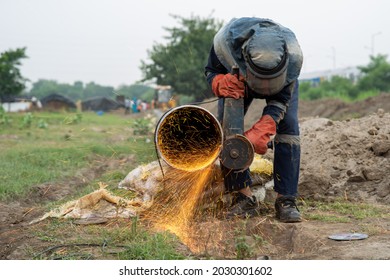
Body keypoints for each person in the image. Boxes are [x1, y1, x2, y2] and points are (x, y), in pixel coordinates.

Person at [205, 17, 303, 222]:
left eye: (270, 83)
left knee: (289, 129)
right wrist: (219, 82)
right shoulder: (224, 45)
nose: (265, 89)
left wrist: (268, 123)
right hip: (237, 82)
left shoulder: (294, 58)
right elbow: (211, 70)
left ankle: (286, 200)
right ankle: (242, 197)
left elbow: (283, 98)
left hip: (281, 86)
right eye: (262, 82)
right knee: (228, 129)